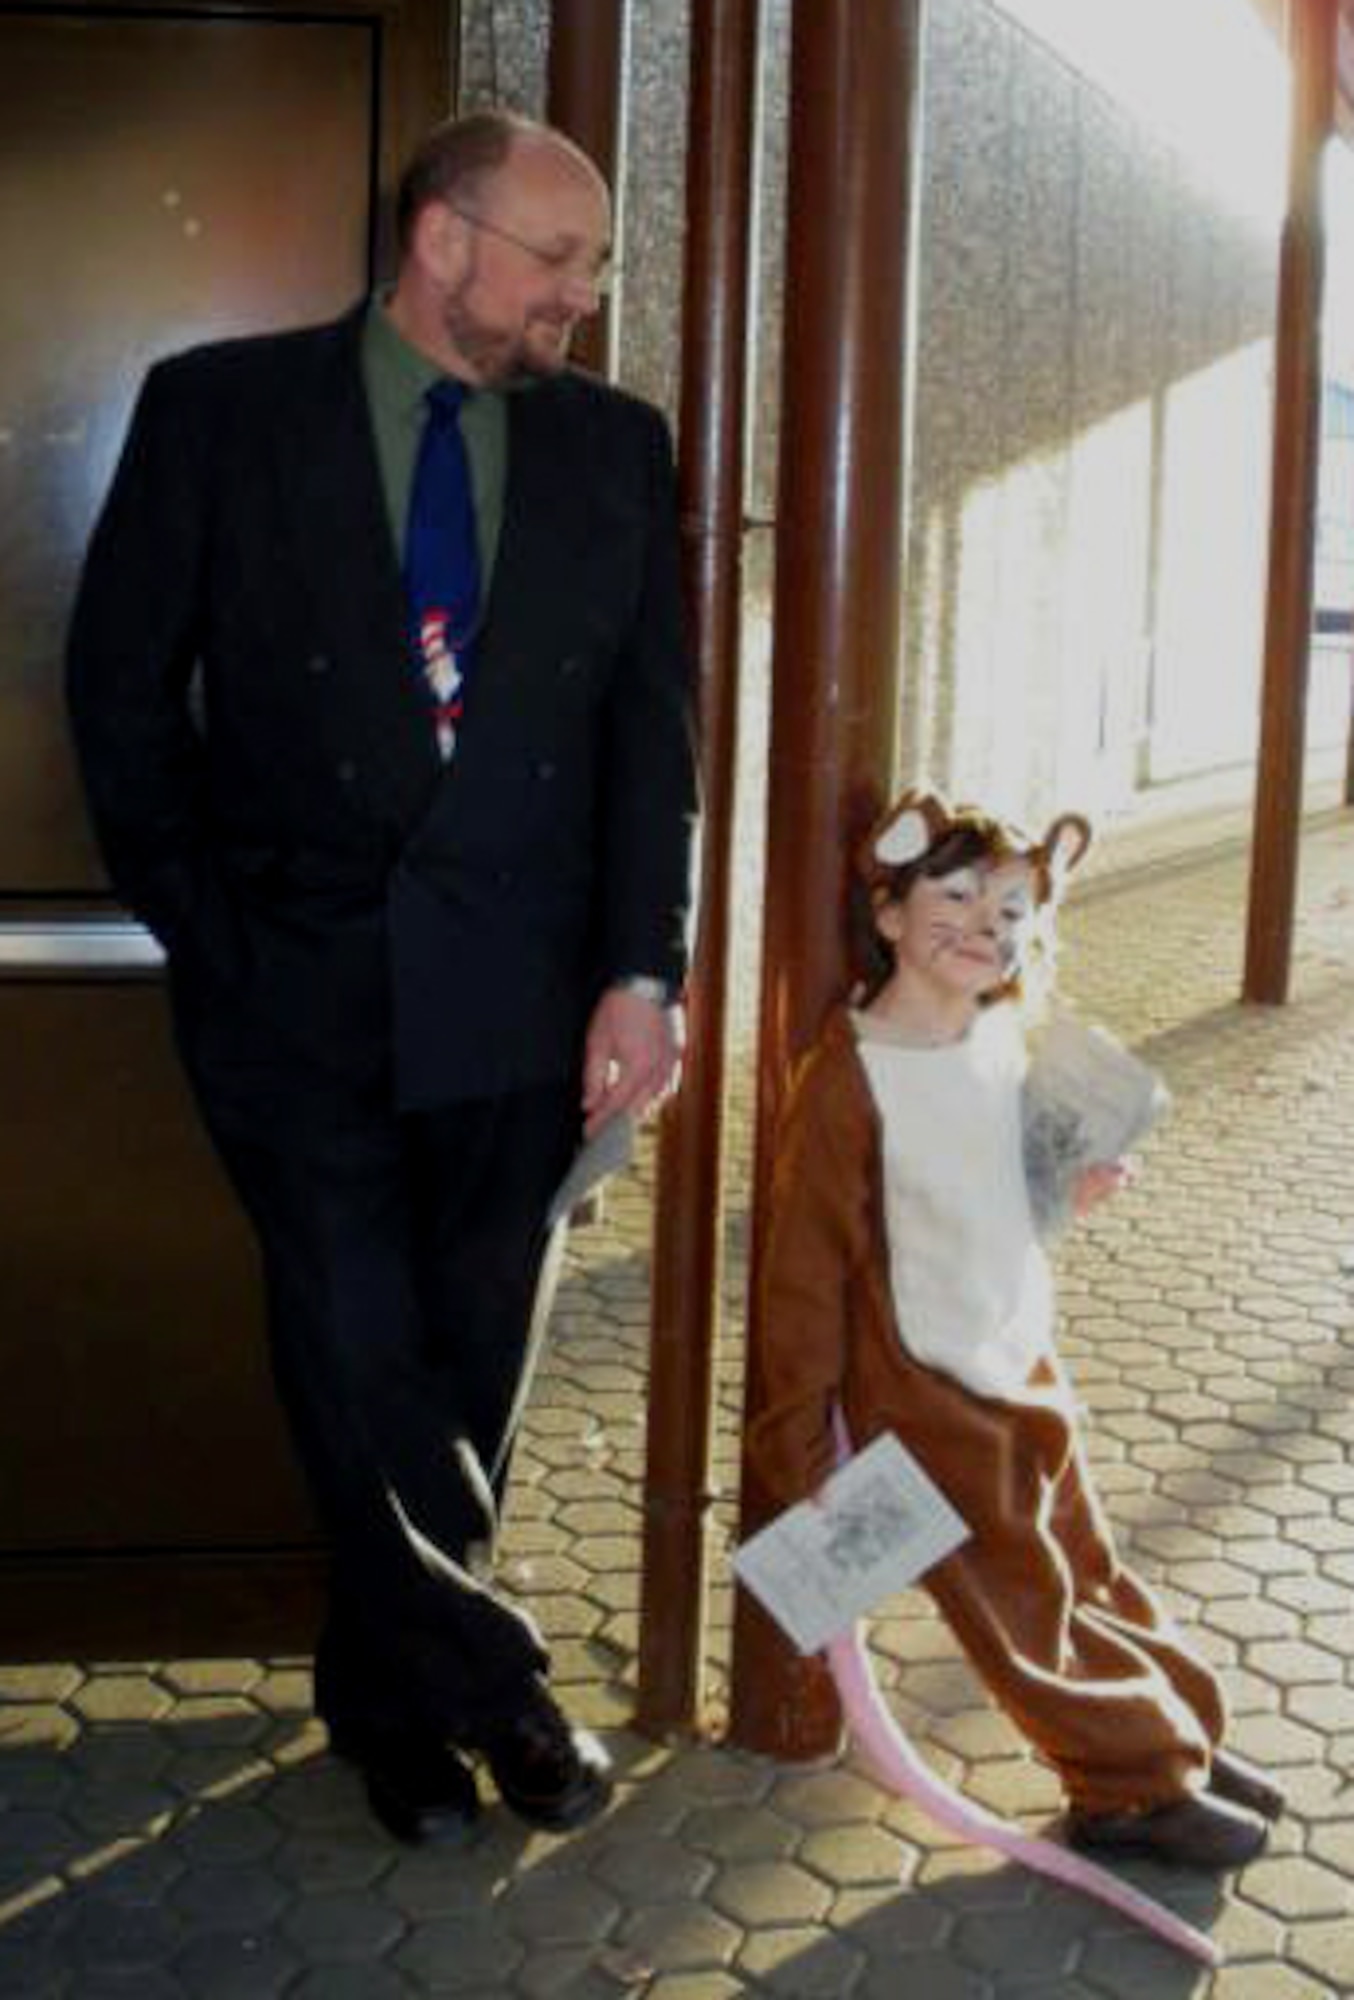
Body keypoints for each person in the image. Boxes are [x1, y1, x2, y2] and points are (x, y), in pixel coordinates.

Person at [66, 109, 697, 1847]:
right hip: (293, 989)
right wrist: (214, 922)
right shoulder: (219, 411)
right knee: (353, 1345)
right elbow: (122, 695)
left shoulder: (612, 448)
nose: (583, 292)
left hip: (521, 993)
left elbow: (654, 740)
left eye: (591, 265)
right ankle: (494, 1676)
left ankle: (390, 1704)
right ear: (440, 239)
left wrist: (643, 969)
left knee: (463, 1361)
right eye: (555, 258)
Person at [747, 786, 1283, 1868]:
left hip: (1016, 1347)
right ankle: (1126, 1784)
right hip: (927, 1383)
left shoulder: (999, 1033)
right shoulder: (848, 1075)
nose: (983, 931)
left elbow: (999, 1180)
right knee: (1023, 1599)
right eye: (955, 899)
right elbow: (799, 1278)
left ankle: (1173, 1726)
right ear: (889, 911)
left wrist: (1067, 1189)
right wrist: (796, 1444)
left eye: (1008, 912)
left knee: (1087, 1562)